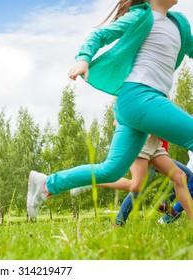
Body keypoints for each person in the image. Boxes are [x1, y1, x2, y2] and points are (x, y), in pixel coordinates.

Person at [27, 0, 193, 222]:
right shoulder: (141, 17)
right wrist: (83, 59)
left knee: (111, 171)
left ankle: (47, 183)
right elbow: (99, 36)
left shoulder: (178, 23)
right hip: (140, 96)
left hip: (139, 103)